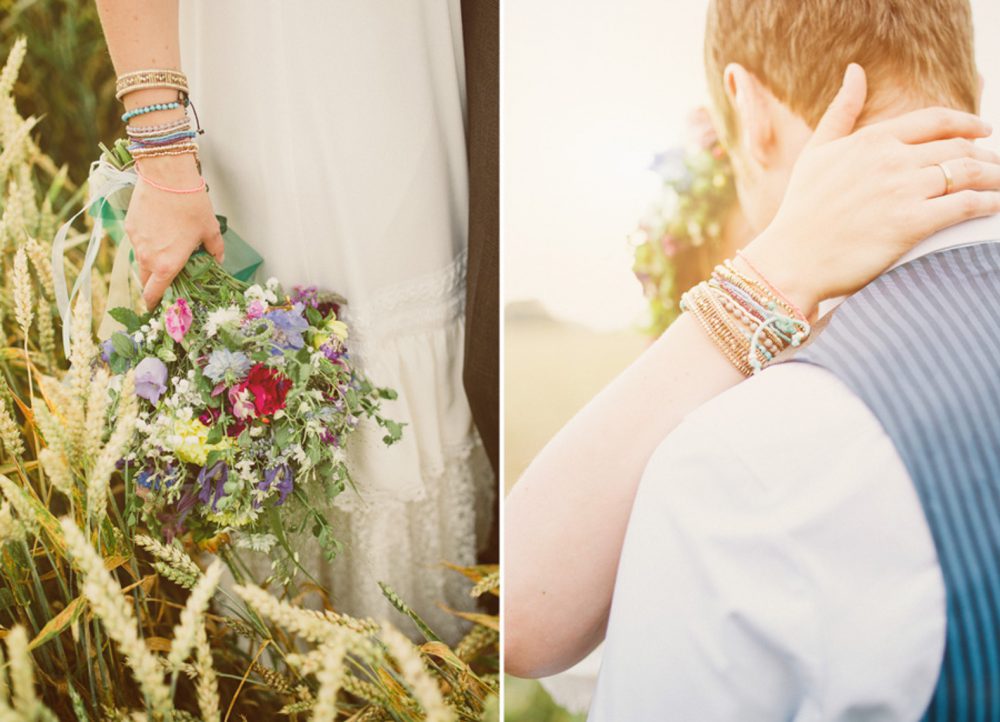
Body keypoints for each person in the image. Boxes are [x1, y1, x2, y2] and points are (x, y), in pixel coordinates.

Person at [506, 0, 1000, 716]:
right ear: (968, 82)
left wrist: (764, 280)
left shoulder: (742, 463)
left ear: (750, 110)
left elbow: (523, 607)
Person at [95, 0, 496, 642]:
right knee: (291, 308)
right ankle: (277, 666)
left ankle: (432, 656)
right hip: (269, 57)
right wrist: (161, 151)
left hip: (412, 55)